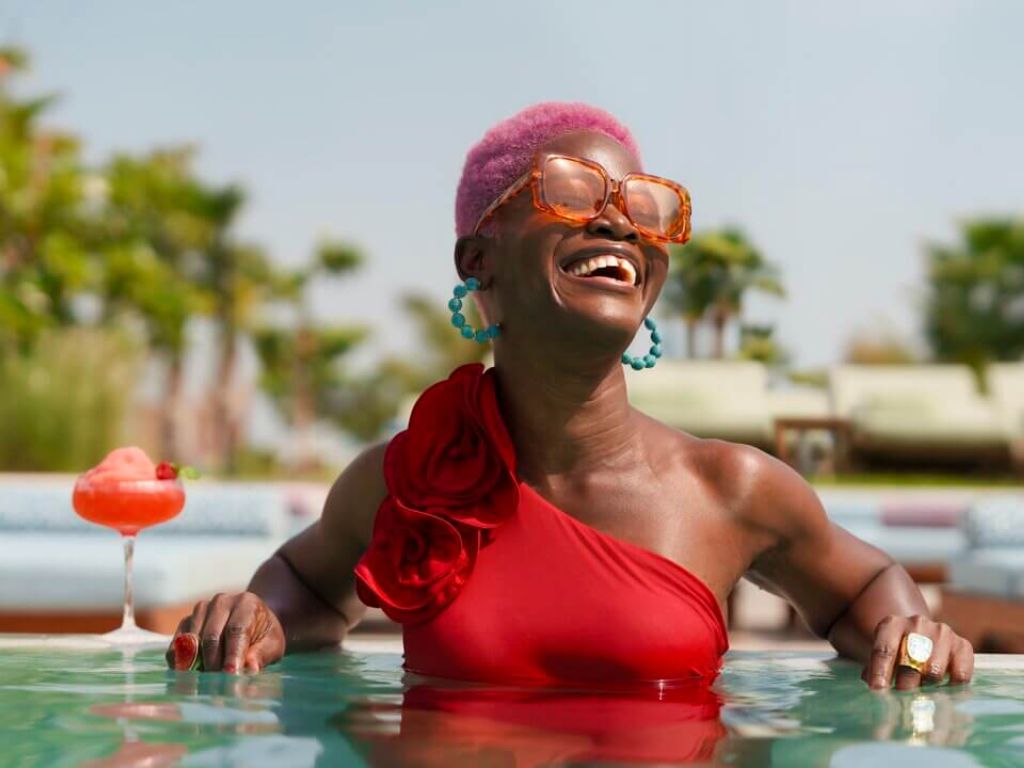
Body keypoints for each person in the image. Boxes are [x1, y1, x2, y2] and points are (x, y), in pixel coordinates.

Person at [167, 102, 974, 691]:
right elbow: (307, 585)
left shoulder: (732, 490)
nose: (620, 225)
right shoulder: (400, 482)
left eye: (642, 207)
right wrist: (256, 618)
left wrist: (913, 639)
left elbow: (865, 588)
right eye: (575, 194)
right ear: (479, 261)